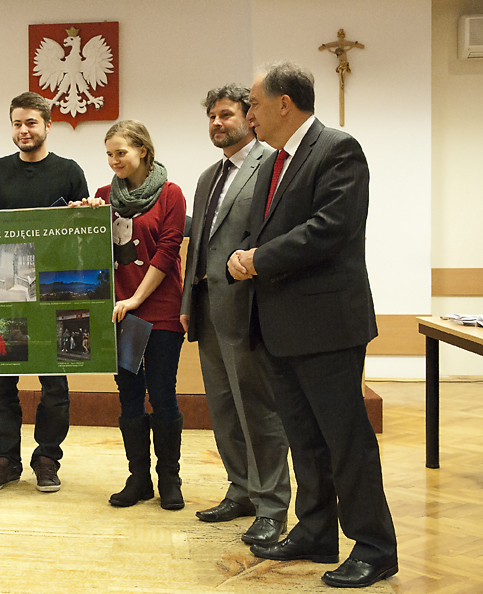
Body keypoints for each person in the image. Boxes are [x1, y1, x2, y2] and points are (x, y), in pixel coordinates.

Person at [227, 62, 397, 588]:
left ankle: (374, 546)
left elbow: (330, 229)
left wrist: (257, 259)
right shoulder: (277, 160)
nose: (248, 114)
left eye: (253, 104)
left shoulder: (337, 149)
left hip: (326, 324)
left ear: (284, 104)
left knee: (345, 439)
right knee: (305, 438)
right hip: (281, 324)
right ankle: (317, 530)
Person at [180, 85, 291, 544]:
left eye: (226, 114)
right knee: (223, 408)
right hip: (208, 310)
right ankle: (241, 489)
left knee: (257, 410)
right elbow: (200, 244)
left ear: (250, 117)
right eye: (211, 117)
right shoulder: (209, 175)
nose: (217, 124)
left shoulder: (274, 166)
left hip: (249, 309)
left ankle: (272, 503)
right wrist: (188, 302)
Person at [0, 91, 89, 493]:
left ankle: (47, 458)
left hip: (56, 295)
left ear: (48, 125)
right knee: (0, 382)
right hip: (3, 296)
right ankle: (5, 459)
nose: (23, 130)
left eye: (31, 123)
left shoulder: (69, 171)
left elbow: (82, 234)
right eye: (17, 123)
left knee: (55, 383)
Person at [79, 120, 187, 510]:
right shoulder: (104, 195)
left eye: (121, 152)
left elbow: (167, 251)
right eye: (108, 154)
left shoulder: (171, 193)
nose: (114, 161)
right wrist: (87, 217)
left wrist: (137, 299)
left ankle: (169, 479)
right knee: (129, 396)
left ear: (143, 149)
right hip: (121, 313)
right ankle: (138, 477)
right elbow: (92, 250)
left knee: (162, 394)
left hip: (159, 310)